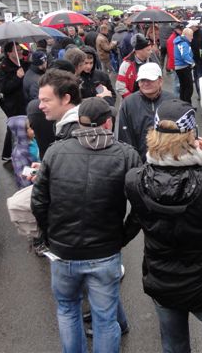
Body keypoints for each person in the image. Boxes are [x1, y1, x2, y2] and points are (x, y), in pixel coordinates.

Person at [123, 99, 202, 353]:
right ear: (192, 135)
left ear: (154, 134)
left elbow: (138, 219)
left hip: (162, 282)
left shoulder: (135, 180)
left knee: (174, 347)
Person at [32, 98, 140, 353]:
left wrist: (50, 235)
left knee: (68, 311)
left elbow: (39, 201)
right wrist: (124, 235)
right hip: (105, 252)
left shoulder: (55, 151)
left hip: (63, 252)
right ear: (107, 122)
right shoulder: (127, 155)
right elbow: (141, 205)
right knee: (105, 319)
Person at [116, 63, 176, 161]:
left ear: (160, 81)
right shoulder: (128, 103)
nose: (146, 83)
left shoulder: (173, 101)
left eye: (150, 80)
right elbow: (124, 138)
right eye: (142, 80)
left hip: (168, 161)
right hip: (139, 162)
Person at [0, 42, 27, 161]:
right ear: (9, 53)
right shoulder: (4, 67)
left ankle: (21, 150)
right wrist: (17, 78)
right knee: (14, 127)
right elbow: (4, 88)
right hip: (13, 104)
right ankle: (8, 153)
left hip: (24, 100)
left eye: (20, 49)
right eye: (17, 50)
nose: (20, 52)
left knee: (23, 126)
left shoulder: (22, 64)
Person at [38, 69, 82, 142]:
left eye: (46, 100)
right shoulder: (65, 127)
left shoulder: (77, 135)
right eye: (40, 100)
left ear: (66, 99)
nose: (40, 106)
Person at [116, 34, 157, 98]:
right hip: (132, 100)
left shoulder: (152, 60)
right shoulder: (126, 65)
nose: (151, 52)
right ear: (138, 51)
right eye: (148, 50)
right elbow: (120, 87)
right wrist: (132, 100)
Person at [174, 27, 195, 104]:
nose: (192, 38)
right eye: (191, 35)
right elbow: (184, 56)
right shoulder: (184, 43)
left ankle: (183, 104)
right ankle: (187, 105)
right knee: (189, 88)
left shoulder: (179, 41)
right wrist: (192, 62)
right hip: (183, 67)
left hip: (179, 67)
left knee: (183, 87)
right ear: (186, 35)